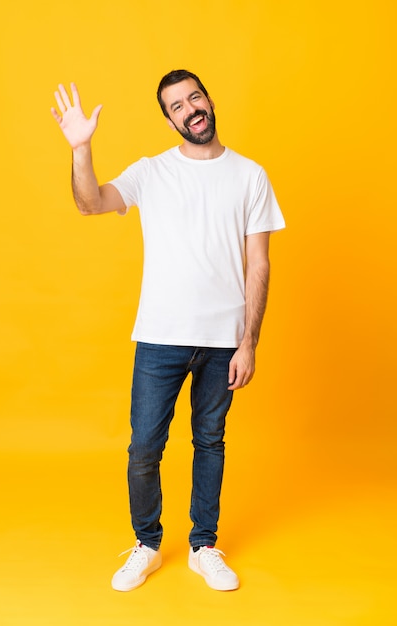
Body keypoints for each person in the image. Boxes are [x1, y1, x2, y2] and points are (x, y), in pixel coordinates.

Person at [51, 69, 285, 592]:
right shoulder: (151, 172)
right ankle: (147, 544)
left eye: (194, 98)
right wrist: (81, 150)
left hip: (224, 339)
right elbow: (90, 202)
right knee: (144, 447)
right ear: (170, 119)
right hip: (160, 335)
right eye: (177, 106)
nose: (190, 109)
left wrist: (249, 342)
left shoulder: (251, 175)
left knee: (210, 441)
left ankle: (204, 546)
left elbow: (259, 265)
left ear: (209, 100)